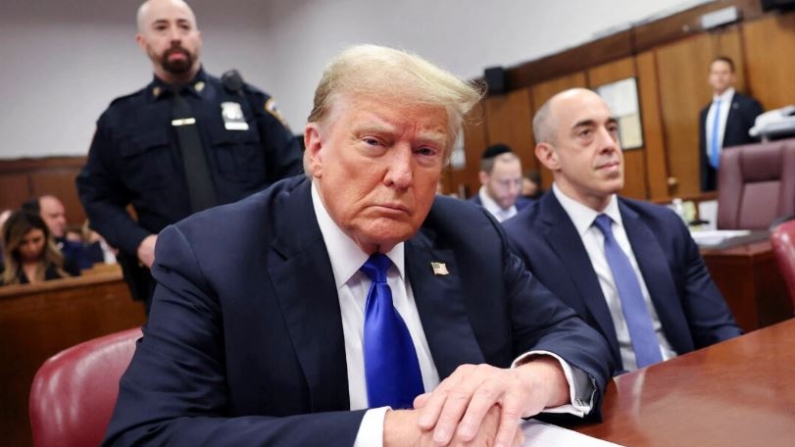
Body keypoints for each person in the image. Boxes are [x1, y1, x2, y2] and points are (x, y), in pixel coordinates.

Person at [103, 45, 614, 447]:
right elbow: (148, 434)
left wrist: (526, 383)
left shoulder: (469, 232)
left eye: (425, 151)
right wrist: (388, 435)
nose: (400, 175)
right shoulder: (211, 255)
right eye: (374, 143)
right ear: (316, 148)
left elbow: (576, 337)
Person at [76, 0, 302, 310]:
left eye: (184, 26)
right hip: (173, 278)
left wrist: (271, 232)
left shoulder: (249, 103)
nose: (175, 36)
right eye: (161, 27)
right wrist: (141, 244)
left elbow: (295, 176)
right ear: (143, 42)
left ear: (198, 36)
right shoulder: (120, 120)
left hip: (258, 267)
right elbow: (96, 196)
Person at [504, 88, 742, 375]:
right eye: (585, 133)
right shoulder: (518, 243)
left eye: (612, 129)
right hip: (605, 403)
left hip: (688, 388)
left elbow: (717, 328)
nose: (609, 144)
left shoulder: (665, 225)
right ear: (549, 155)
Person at [698, 56, 763, 192]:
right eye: (715, 73)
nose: (719, 77)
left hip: (742, 176)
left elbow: (760, 143)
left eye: (724, 73)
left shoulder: (749, 106)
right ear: (709, 78)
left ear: (733, 77)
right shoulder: (705, 113)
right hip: (713, 179)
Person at [1, 211, 79, 286]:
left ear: (46, 237)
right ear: (12, 243)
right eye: (23, 243)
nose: (32, 248)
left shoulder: (64, 265)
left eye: (36, 240)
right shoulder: (2, 272)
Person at [468, 144, 531, 222]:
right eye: (504, 183)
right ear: (484, 178)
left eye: (517, 181)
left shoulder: (531, 210)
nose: (513, 191)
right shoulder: (467, 215)